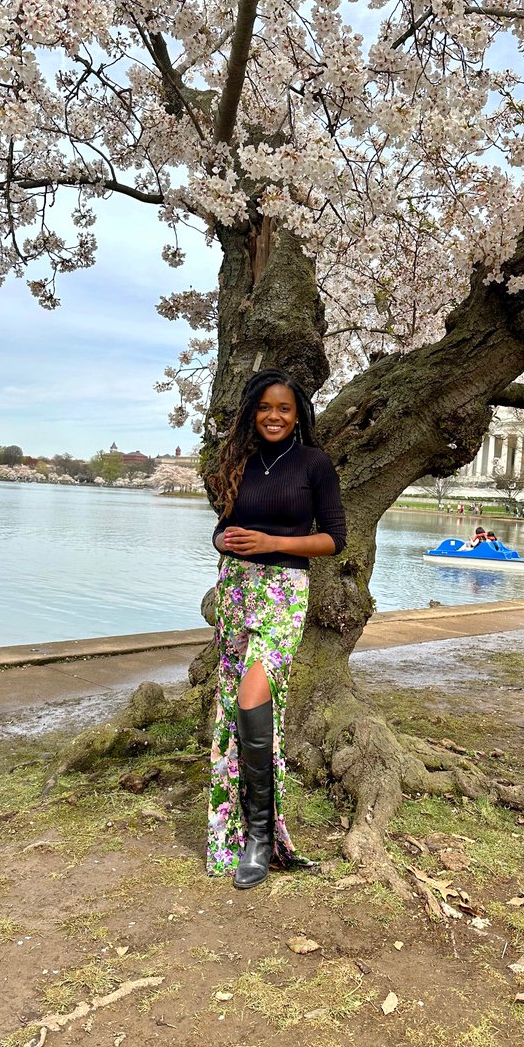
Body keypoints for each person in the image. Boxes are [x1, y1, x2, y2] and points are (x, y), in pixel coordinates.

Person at [206, 369, 347, 889]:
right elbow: (223, 526)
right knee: (232, 705)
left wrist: (272, 544)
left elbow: (334, 539)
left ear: (298, 414)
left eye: (284, 408)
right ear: (252, 410)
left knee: (252, 697)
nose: (274, 415)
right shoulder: (237, 460)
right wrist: (224, 541)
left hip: (283, 593)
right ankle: (241, 829)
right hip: (237, 589)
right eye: (265, 407)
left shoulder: (314, 463)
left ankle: (262, 838)